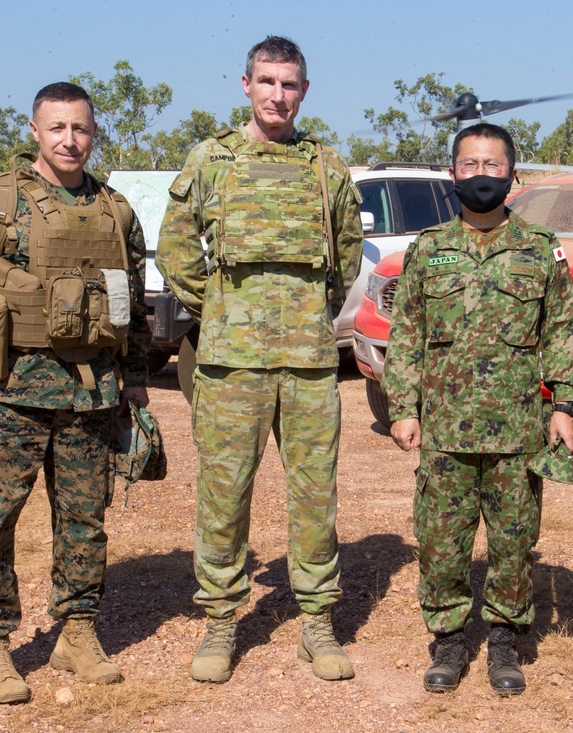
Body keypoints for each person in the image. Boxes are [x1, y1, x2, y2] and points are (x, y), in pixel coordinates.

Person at [0, 82, 151, 704]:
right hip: (8, 395)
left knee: (85, 520)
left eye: (80, 128)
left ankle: (76, 632)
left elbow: (130, 302)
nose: (70, 140)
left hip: (89, 396)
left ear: (94, 132)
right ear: (34, 131)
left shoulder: (117, 210)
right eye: (57, 128)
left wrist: (133, 380)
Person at [156, 35, 363, 684]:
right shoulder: (212, 159)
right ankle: (222, 622)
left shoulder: (327, 167)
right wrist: (218, 307)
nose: (278, 95)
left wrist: (306, 313)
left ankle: (317, 622)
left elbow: (348, 253)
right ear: (245, 84)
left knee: (314, 497)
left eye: (290, 84)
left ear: (304, 91)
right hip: (230, 363)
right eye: (267, 82)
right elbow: (177, 245)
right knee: (223, 497)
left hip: (306, 361)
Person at [381, 124, 573, 696]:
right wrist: (402, 407)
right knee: (441, 541)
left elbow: (563, 330)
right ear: (453, 174)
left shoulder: (541, 249)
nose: (480, 176)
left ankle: (502, 640)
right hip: (444, 428)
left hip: (517, 429)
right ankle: (448, 639)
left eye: (492, 165)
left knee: (513, 540)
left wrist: (565, 403)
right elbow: (409, 336)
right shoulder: (427, 250)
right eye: (469, 165)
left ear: (511, 175)